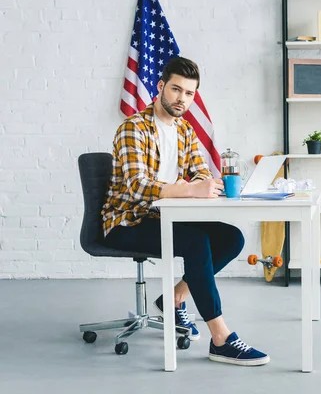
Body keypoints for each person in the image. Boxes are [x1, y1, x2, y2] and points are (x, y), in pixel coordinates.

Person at [101, 56, 269, 366]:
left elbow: (201, 172)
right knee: (195, 243)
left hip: (165, 215)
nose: (182, 99)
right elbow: (137, 187)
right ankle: (221, 338)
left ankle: (174, 296)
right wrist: (186, 188)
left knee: (231, 238)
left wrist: (201, 183)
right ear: (161, 86)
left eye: (189, 93)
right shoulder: (133, 128)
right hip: (128, 221)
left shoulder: (184, 131)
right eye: (177, 90)